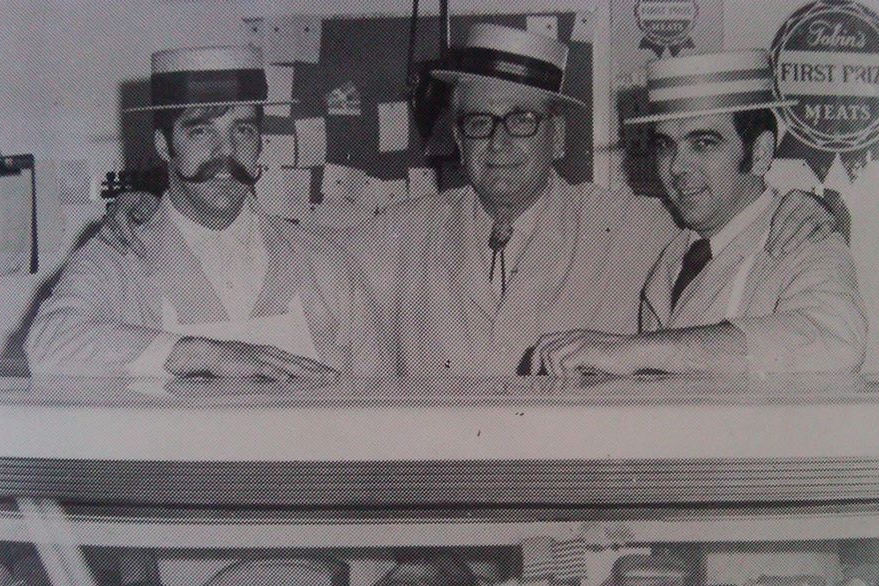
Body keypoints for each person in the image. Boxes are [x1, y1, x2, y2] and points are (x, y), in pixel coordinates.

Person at [102, 27, 835, 376]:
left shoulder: (632, 225)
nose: (500, 142)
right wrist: (152, 206)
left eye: (523, 119)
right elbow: (271, 239)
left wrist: (816, 208)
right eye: (479, 122)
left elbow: (726, 220)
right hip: (441, 522)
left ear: (557, 135)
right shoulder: (398, 234)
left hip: (577, 521)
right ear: (456, 137)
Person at [26, 46, 385, 379]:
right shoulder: (120, 256)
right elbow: (47, 345)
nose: (226, 151)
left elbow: (383, 409)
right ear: (164, 145)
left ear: (261, 142)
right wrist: (200, 354)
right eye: (201, 131)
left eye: (242, 130)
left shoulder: (326, 263)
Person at [532, 50, 867, 375]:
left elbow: (835, 340)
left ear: (761, 153)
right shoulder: (676, 250)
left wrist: (640, 349)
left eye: (704, 143)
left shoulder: (802, 238)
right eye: (665, 145)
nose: (677, 166)